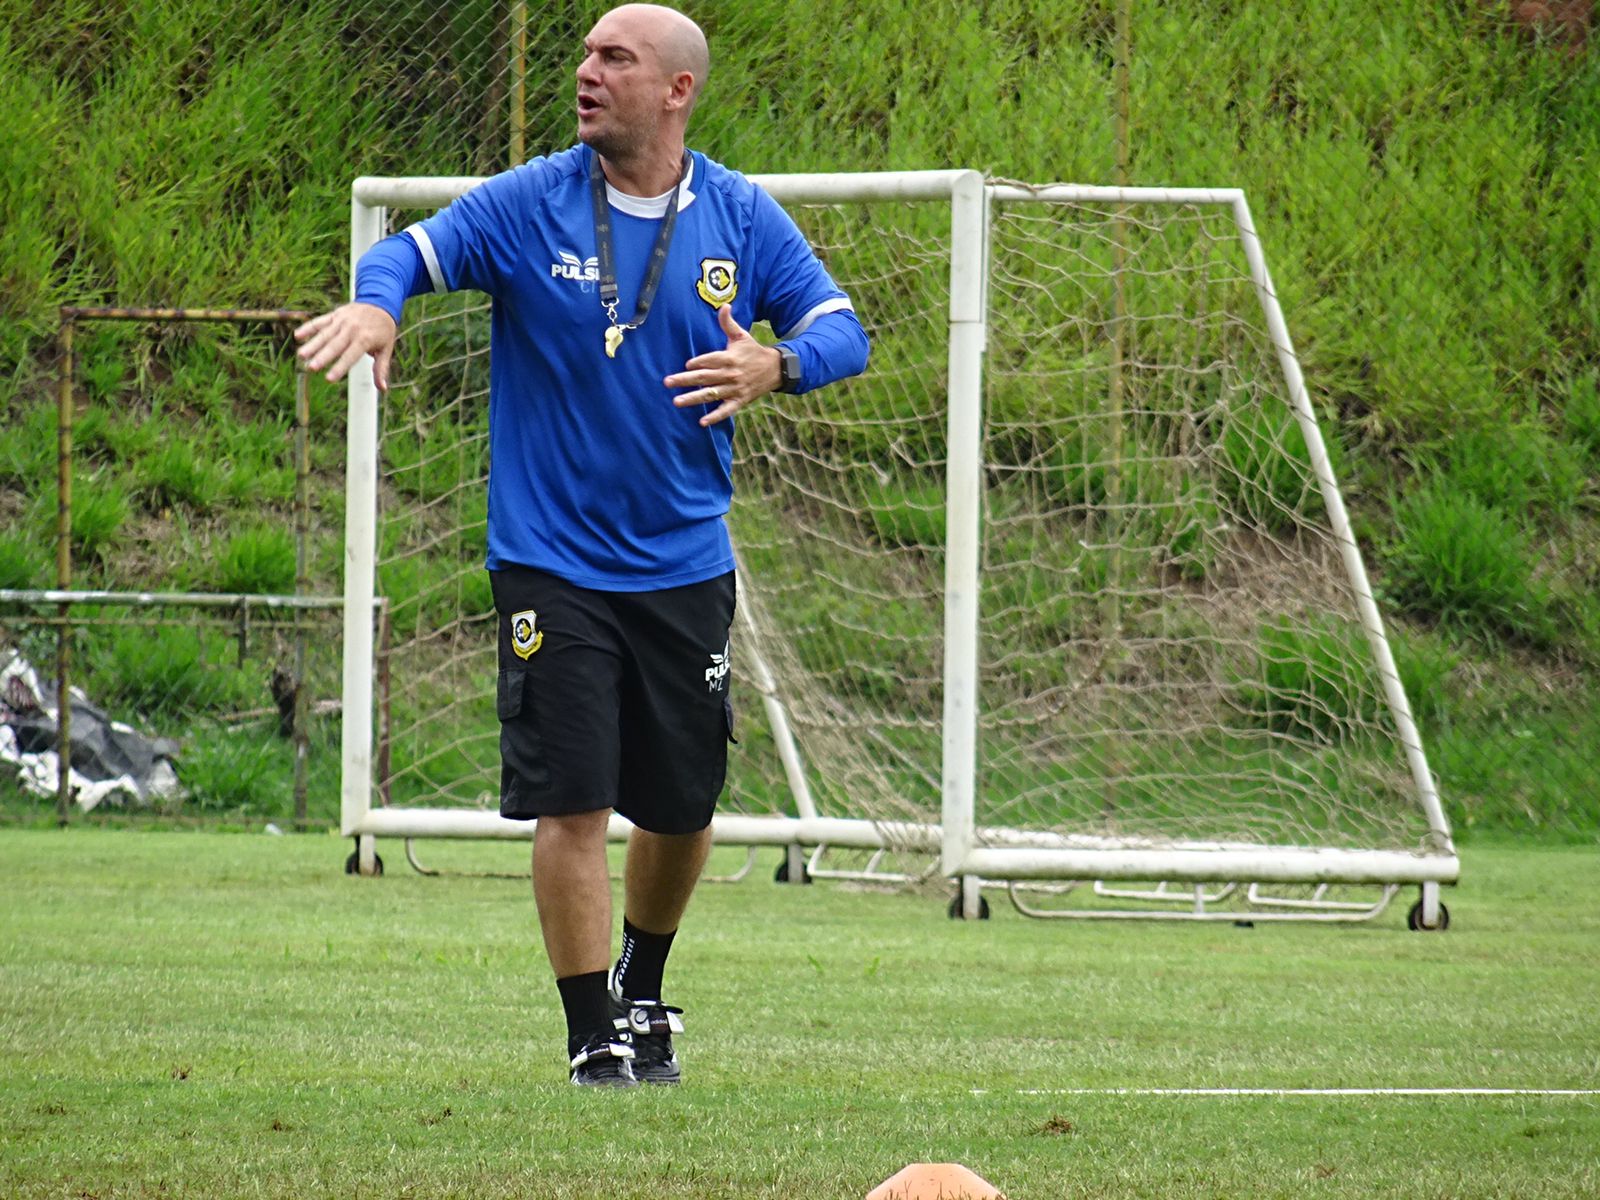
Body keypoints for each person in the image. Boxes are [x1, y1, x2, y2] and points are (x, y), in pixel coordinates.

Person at [295, 3, 869, 1088]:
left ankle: (642, 992)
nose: (586, 72)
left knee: (683, 805)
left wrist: (778, 366)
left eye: (616, 58)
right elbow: (409, 251)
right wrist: (379, 309)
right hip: (549, 560)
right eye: (585, 55)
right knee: (573, 799)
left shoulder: (741, 216)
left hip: (684, 561)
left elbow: (846, 328)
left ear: (677, 90)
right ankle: (587, 1032)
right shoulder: (530, 201)